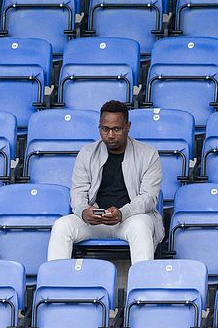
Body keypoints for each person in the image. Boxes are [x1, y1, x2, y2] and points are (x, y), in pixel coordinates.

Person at [47, 100, 164, 264]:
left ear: (128, 126)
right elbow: (78, 193)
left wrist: (123, 213)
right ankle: (57, 285)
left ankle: (142, 285)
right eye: (105, 129)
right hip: (96, 219)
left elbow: (149, 198)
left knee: (141, 225)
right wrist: (83, 211)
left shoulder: (148, 154)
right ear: (99, 127)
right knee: (61, 225)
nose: (110, 135)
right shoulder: (87, 153)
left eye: (117, 129)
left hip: (129, 219)